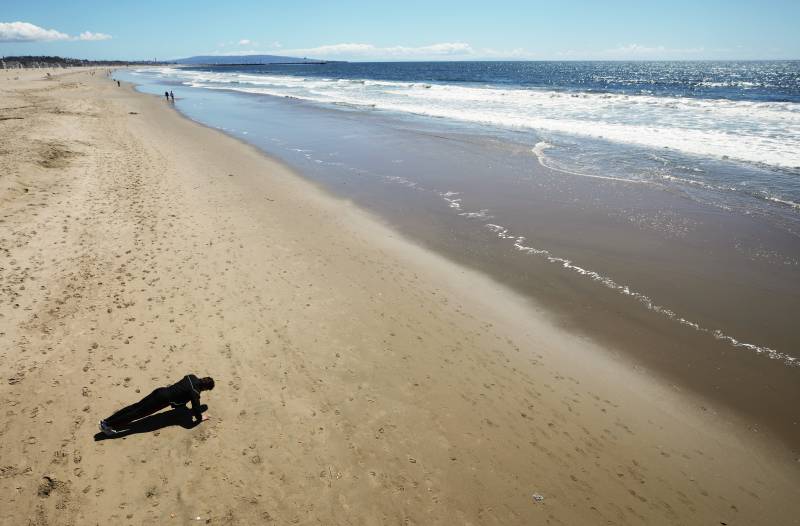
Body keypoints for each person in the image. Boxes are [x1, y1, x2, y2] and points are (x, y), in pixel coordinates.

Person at [99, 374, 214, 436]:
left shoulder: (191, 377)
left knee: (135, 407)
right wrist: (200, 418)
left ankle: (106, 421)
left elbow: (182, 390)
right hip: (162, 400)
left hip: (160, 391)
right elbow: (196, 408)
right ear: (205, 388)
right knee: (136, 414)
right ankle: (108, 426)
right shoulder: (195, 392)